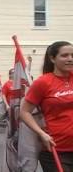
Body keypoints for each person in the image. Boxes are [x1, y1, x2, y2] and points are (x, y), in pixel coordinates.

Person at [20, 41, 73, 172]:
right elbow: (24, 112)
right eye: (65, 55)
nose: (70, 59)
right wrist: (41, 134)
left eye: (72, 55)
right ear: (52, 58)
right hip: (55, 149)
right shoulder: (43, 82)